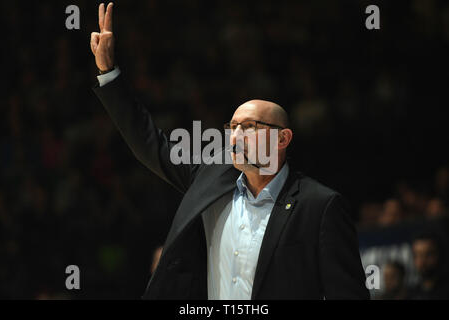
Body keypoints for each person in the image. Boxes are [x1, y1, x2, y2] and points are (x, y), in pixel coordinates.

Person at [90, 2, 369, 299]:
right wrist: (108, 72)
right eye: (232, 127)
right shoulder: (210, 177)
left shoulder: (320, 205)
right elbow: (150, 144)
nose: (235, 136)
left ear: (282, 138)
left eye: (248, 127)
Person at [407, 232, 449, 299]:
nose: (422, 261)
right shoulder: (411, 294)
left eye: (428, 254)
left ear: (440, 255)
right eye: (418, 255)